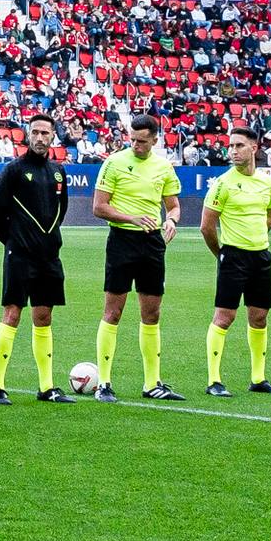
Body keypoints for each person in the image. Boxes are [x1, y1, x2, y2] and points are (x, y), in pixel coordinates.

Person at [88, 113, 180, 402]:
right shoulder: (114, 163)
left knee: (151, 313)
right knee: (113, 312)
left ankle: (152, 383)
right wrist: (131, 218)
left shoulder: (164, 167)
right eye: (133, 140)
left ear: (155, 139)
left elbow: (174, 206)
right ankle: (104, 382)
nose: (137, 145)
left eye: (142, 141)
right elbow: (99, 207)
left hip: (152, 242)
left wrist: (172, 221)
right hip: (122, 240)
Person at [0, 113, 71, 404]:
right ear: (27, 134)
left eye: (45, 133)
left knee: (44, 316)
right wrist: (15, 242)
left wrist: (46, 242)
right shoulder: (13, 170)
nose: (39, 138)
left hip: (49, 257)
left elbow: (61, 211)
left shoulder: (58, 171)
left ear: (53, 137)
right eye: (35, 132)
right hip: (20, 256)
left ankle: (46, 387)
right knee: (12, 314)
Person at [201, 128, 271, 398]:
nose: (233, 151)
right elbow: (207, 226)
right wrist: (221, 254)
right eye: (230, 145)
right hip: (233, 256)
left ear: (254, 148)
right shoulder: (223, 183)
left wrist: (258, 236)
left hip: (260, 256)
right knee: (225, 317)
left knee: (259, 317)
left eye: (239, 145)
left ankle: (258, 378)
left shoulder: (267, 183)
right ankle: (214, 380)